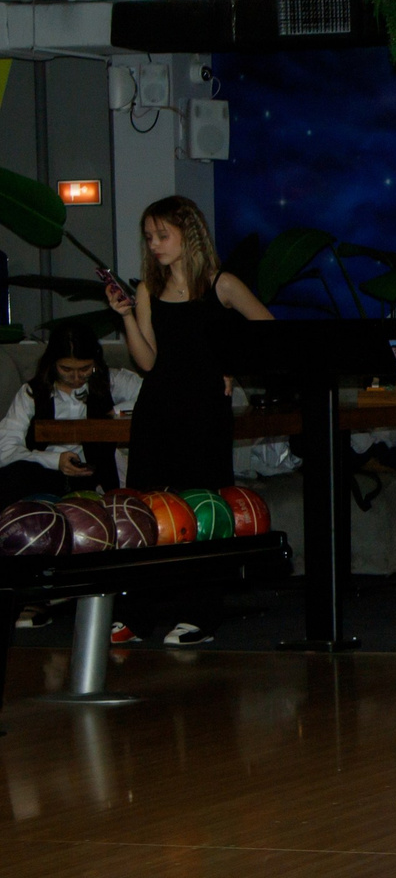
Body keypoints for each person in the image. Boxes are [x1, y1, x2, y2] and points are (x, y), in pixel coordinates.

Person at [109, 194, 273, 647]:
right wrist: (126, 317)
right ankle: (139, 615)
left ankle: (200, 614)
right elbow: (147, 361)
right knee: (150, 512)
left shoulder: (221, 285)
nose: (155, 244)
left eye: (163, 234)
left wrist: (231, 367)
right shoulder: (147, 290)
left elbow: (268, 333)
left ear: (189, 232)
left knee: (202, 511)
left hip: (204, 411)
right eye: (149, 237)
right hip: (157, 409)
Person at [0, 321, 139, 504]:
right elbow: (5, 450)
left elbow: (154, 396)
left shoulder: (111, 381)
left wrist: (117, 412)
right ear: (53, 363)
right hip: (44, 474)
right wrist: (55, 460)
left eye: (84, 369)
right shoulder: (32, 393)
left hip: (94, 479)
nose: (75, 378)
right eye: (66, 370)